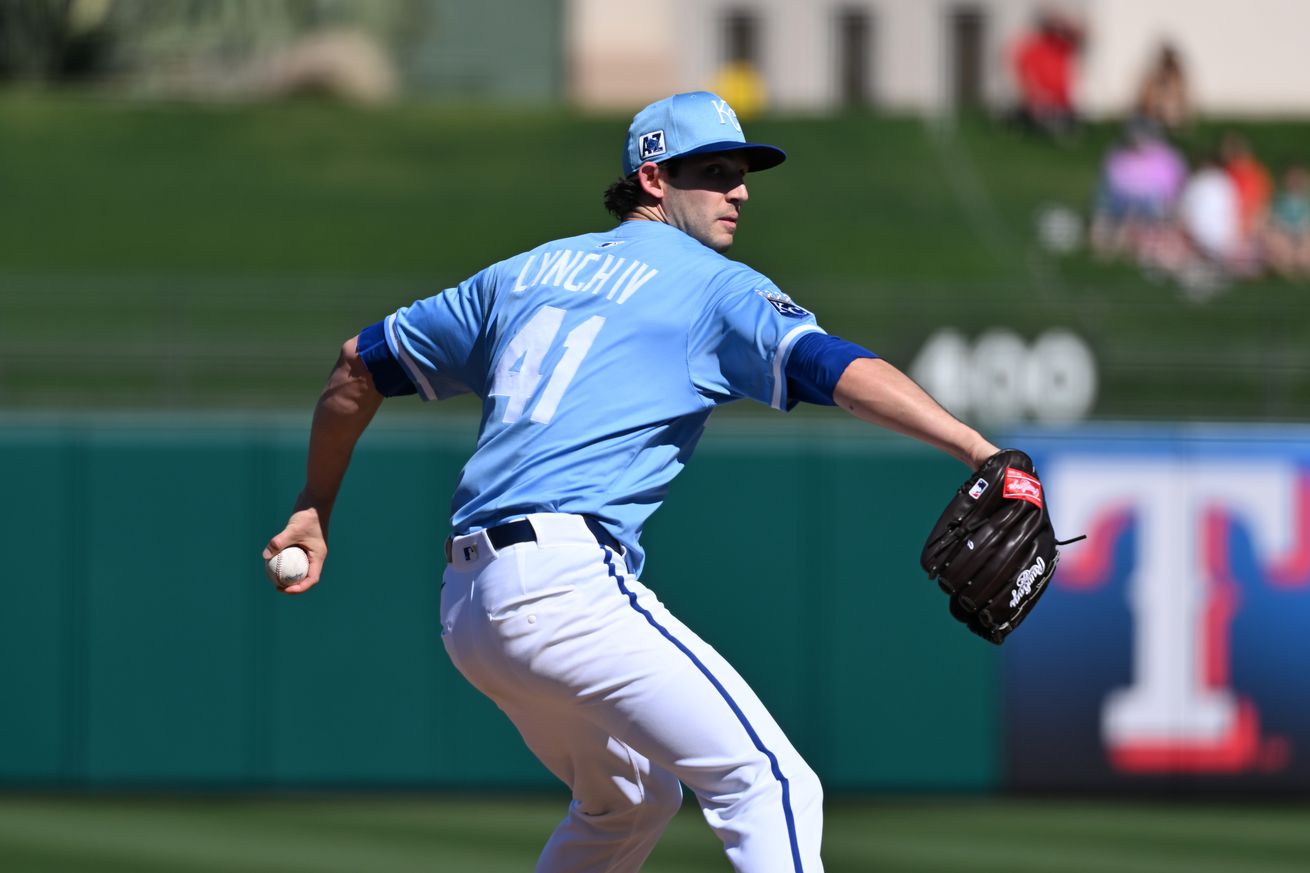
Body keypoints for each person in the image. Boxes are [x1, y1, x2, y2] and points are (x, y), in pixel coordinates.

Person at [262, 91, 999, 873]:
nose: (739, 190)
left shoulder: (522, 272)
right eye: (715, 172)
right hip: (561, 582)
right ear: (653, 179)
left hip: (470, 608)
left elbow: (356, 365)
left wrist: (313, 504)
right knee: (770, 782)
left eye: (741, 173)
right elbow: (831, 366)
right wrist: (975, 447)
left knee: (629, 801)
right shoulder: (715, 286)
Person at [1133, 42, 1190, 133]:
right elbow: (1147, 103)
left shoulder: (1176, 80)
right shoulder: (1152, 79)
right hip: (1150, 124)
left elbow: (1181, 104)